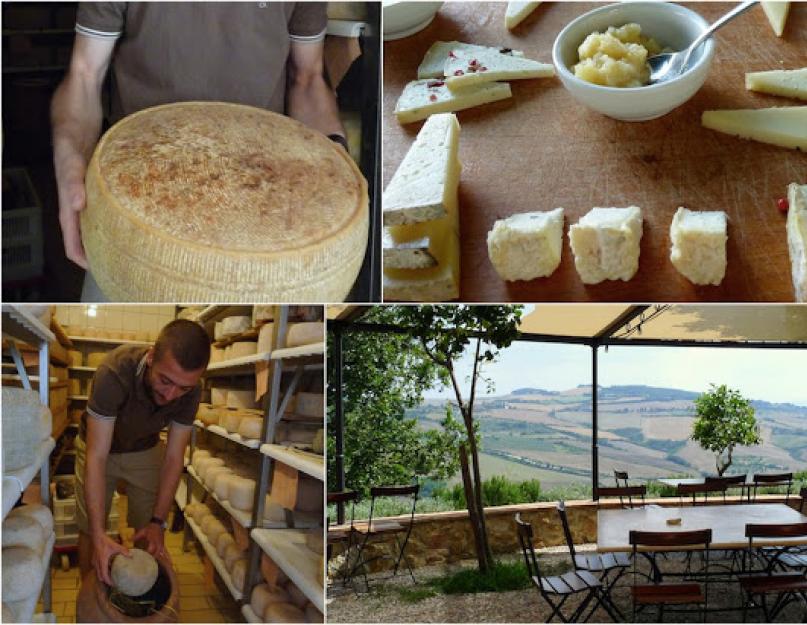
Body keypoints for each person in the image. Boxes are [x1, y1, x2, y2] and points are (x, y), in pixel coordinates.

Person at [51, 2, 347, 300]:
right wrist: (69, 153)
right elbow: (85, 75)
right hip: (135, 205)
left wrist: (335, 155)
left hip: (260, 206)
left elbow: (307, 78)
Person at [75, 319, 209, 585]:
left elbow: (173, 458)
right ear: (150, 358)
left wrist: (159, 523)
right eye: (165, 380)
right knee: (91, 530)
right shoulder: (113, 373)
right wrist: (100, 533)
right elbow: (97, 456)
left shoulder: (192, 392)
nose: (172, 395)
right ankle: (90, 591)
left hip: (144, 448)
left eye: (183, 388)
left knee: (147, 526)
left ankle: (140, 590)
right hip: (100, 447)